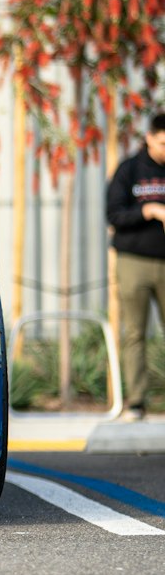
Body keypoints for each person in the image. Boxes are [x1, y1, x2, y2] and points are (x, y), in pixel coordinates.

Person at [106, 111, 165, 421]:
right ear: (149, 138)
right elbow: (114, 215)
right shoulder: (129, 170)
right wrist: (150, 210)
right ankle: (137, 402)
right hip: (134, 262)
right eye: (163, 142)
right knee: (135, 334)